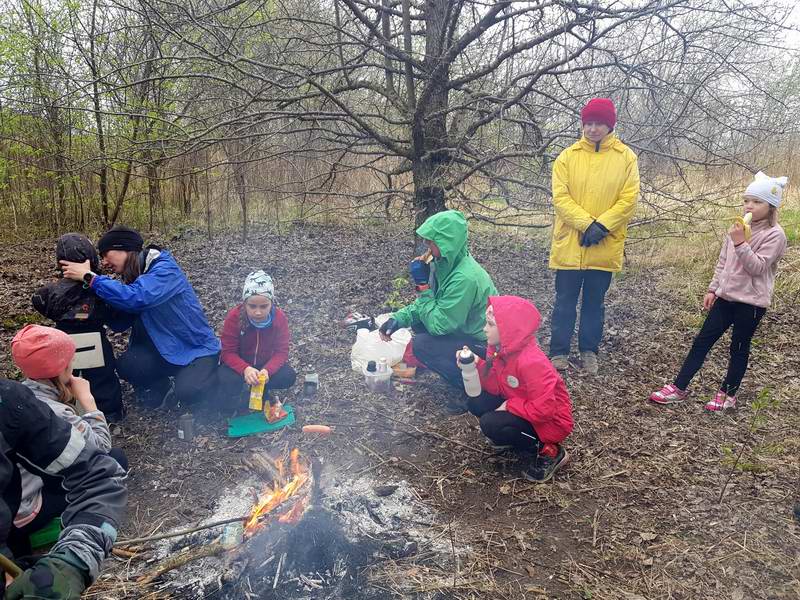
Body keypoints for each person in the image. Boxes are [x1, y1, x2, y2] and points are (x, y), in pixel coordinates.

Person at [649, 172, 788, 411]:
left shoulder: (775, 235)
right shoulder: (737, 227)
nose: (750, 206)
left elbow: (757, 267)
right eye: (747, 200)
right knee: (701, 342)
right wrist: (713, 288)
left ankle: (728, 394)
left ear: (771, 206)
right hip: (725, 298)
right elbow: (723, 262)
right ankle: (679, 387)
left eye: (757, 202)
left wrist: (740, 242)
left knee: (739, 348)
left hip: (751, 303)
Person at [59, 227, 220, 410]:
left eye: (106, 254)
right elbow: (120, 322)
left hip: (195, 349)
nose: (104, 262)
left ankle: (216, 375)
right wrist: (93, 303)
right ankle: (163, 387)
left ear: (124, 249)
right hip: (166, 348)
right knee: (128, 365)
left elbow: (137, 298)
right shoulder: (136, 277)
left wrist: (90, 278)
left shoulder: (165, 270)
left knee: (189, 391)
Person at [8, 324, 128, 560]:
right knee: (113, 459)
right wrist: (88, 401)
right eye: (70, 361)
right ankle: (81, 526)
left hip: (11, 496)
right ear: (62, 368)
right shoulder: (54, 412)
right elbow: (99, 448)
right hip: (23, 509)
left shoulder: (19, 396)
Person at [0, 378, 126, 599]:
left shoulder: (9, 404)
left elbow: (98, 476)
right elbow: (103, 447)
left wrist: (73, 562)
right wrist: (90, 405)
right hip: (26, 515)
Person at [549, 97, 640, 375]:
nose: (592, 129)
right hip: (570, 244)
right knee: (564, 302)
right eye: (588, 123)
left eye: (598, 123)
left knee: (594, 303)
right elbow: (561, 197)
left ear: (609, 125)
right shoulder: (568, 156)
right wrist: (586, 224)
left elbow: (629, 198)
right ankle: (558, 352)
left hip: (604, 245)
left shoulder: (626, 158)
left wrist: (602, 226)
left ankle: (589, 350)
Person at [379, 210, 497, 413]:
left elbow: (439, 325)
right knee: (417, 322)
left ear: (447, 244)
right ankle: (460, 373)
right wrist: (399, 319)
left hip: (484, 346)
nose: (428, 248)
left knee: (422, 344)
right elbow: (432, 305)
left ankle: (472, 390)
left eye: (431, 243)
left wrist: (423, 287)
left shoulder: (464, 278)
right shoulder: (443, 265)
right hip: (461, 328)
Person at [466, 296, 573, 482]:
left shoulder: (531, 362)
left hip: (551, 421)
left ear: (509, 330)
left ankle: (549, 450)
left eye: (490, 324)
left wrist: (509, 405)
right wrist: (475, 364)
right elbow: (497, 385)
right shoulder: (500, 350)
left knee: (491, 423)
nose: (484, 329)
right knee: (476, 402)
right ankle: (512, 437)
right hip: (524, 406)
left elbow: (545, 410)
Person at [31, 233, 125, 421]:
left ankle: (70, 409)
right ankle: (111, 411)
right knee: (103, 376)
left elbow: (39, 303)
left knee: (66, 377)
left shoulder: (46, 293)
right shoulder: (100, 289)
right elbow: (115, 310)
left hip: (64, 341)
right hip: (96, 339)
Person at [217, 271, 296, 412]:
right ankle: (238, 393)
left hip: (264, 365)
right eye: (252, 306)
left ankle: (262, 390)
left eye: (263, 306)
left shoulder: (279, 318)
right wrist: (245, 369)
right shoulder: (234, 317)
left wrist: (267, 370)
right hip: (240, 365)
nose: (258, 312)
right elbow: (228, 352)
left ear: (271, 303)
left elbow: (281, 352)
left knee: (288, 376)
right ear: (245, 303)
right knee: (226, 379)